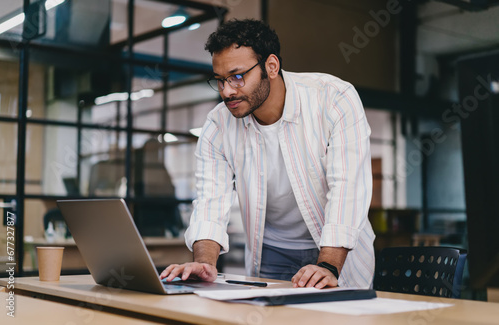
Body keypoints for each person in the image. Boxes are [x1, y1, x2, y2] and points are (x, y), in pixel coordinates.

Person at [160, 19, 375, 289]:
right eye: (220, 81)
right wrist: (205, 262)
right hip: (271, 251)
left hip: (336, 250)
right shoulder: (218, 125)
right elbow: (209, 201)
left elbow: (348, 188)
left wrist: (328, 265)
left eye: (237, 77)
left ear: (271, 67)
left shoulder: (333, 99)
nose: (227, 91)